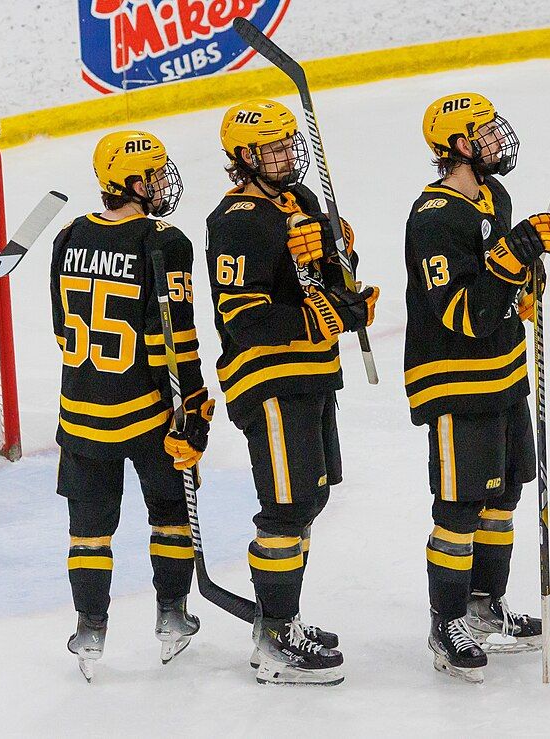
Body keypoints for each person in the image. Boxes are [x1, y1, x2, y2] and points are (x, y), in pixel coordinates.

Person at [206, 98, 378, 686]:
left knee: (312, 496)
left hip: (313, 373)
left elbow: (325, 281)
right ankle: (274, 639)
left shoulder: (300, 201)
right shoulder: (235, 221)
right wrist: (321, 315)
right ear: (244, 158)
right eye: (273, 149)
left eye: (288, 145)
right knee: (285, 506)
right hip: (268, 380)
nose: (286, 156)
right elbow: (242, 314)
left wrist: (343, 269)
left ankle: (284, 617)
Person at [403, 92, 550, 684]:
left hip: (503, 374)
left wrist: (527, 277)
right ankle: (447, 625)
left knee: (503, 497)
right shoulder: (434, 217)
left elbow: (502, 296)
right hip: (453, 381)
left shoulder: (494, 197)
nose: (498, 140)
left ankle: (484, 606)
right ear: (458, 147)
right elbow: (463, 313)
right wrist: (515, 253)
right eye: (485, 133)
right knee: (460, 506)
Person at [50, 130, 212, 682]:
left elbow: (58, 324)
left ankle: (90, 626)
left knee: (88, 529)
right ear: (135, 182)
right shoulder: (166, 240)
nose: (164, 183)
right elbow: (178, 338)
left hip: (81, 409)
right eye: (157, 174)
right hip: (147, 411)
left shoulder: (68, 235)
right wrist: (191, 408)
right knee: (170, 514)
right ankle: (171, 614)